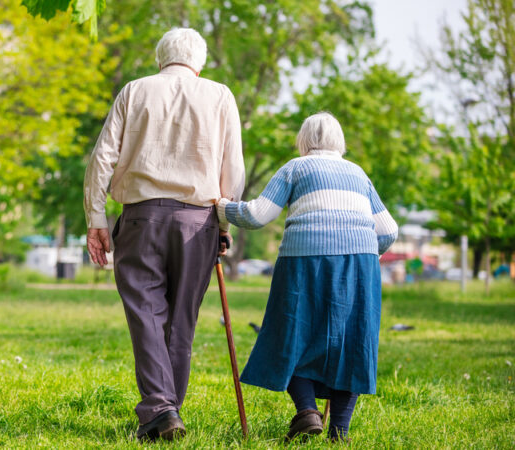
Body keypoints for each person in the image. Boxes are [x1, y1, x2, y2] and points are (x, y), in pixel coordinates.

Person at [83, 28, 245, 441]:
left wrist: (96, 218)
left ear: (160, 58)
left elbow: (102, 159)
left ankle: (161, 409)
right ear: (200, 62)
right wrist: (224, 226)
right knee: (181, 321)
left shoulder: (135, 91)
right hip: (199, 220)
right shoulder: (220, 95)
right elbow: (233, 169)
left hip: (141, 218)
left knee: (146, 314)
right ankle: (166, 408)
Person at [217, 112, 398, 442]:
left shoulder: (295, 167)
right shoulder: (358, 173)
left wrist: (222, 207)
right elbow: (388, 230)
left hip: (303, 260)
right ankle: (338, 433)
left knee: (289, 335)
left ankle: (307, 411)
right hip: (359, 264)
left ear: (304, 140)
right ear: (339, 142)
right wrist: (366, 255)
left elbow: (258, 215)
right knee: (351, 343)